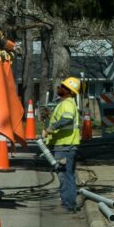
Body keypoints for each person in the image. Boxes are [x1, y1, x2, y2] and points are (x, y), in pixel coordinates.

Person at [42, 76, 82, 213]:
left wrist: (50, 128)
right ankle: (69, 204)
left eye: (63, 87)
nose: (60, 89)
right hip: (65, 145)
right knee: (68, 175)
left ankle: (68, 206)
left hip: (65, 146)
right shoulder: (65, 103)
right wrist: (50, 116)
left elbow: (67, 119)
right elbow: (63, 118)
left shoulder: (67, 104)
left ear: (69, 91)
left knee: (65, 177)